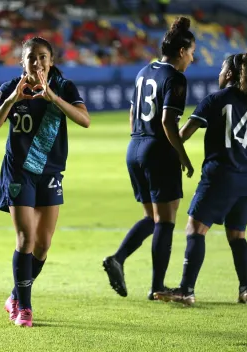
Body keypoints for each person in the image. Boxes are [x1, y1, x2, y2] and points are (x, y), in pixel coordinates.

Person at [0, 36, 90, 327]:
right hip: (19, 173)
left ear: (51, 60)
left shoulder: (64, 86)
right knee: (26, 240)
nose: (38, 62)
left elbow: (84, 120)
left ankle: (14, 296)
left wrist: (53, 98)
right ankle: (25, 309)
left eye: (43, 57)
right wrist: (11, 100)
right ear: (22, 61)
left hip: (50, 172)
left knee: (43, 245)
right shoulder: (11, 88)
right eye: (32, 57)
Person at [154, 53, 247, 306]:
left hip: (219, 177)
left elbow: (183, 133)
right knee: (237, 235)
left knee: (195, 229)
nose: (219, 74)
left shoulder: (215, 100)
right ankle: (246, 290)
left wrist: (168, 149)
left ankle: (186, 290)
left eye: (222, 69)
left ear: (231, 75)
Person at [102, 17, 195, 299]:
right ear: (181, 52)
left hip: (135, 147)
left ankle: (118, 258)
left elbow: (133, 114)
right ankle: (157, 287)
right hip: (158, 151)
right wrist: (183, 155)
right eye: (191, 52)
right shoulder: (176, 78)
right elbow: (168, 121)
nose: (193, 57)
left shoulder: (144, 71)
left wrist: (140, 140)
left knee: (151, 217)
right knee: (166, 220)